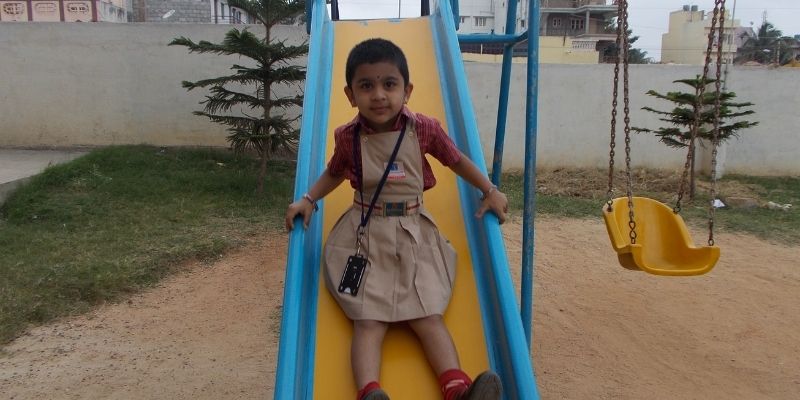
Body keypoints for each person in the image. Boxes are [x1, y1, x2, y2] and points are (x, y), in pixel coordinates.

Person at [285, 38, 507, 400]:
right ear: (350, 94)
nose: (378, 95)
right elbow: (335, 171)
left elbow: (455, 159)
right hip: (366, 232)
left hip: (413, 232)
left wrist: (489, 189)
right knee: (367, 319)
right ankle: (369, 392)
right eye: (366, 86)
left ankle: (458, 389)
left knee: (428, 314)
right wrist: (309, 199)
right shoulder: (348, 137)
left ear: (407, 90)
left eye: (389, 84)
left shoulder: (424, 129)